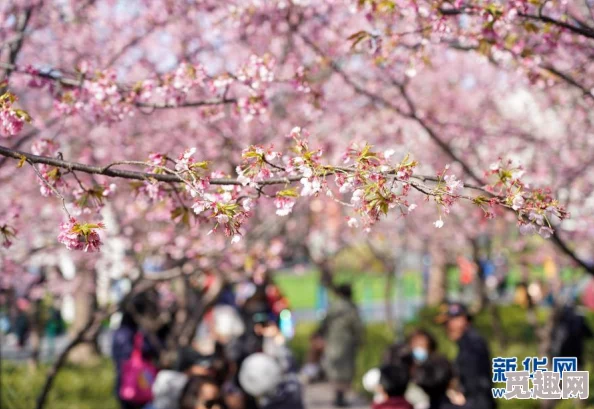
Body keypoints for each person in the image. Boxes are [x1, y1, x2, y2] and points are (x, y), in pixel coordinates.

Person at [436, 303, 495, 409]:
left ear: (462, 320)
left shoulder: (472, 345)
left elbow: (475, 382)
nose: (446, 328)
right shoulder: (466, 343)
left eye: (448, 323)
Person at [319, 283, 364, 407]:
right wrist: (360, 340)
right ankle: (341, 395)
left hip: (332, 340)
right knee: (345, 369)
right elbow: (357, 326)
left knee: (334, 367)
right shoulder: (351, 307)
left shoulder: (332, 306)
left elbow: (324, 322)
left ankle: (337, 394)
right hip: (347, 342)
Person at [550, 304, 593, 369]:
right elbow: (590, 335)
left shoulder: (559, 321)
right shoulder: (579, 320)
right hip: (577, 357)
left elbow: (554, 339)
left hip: (561, 357)